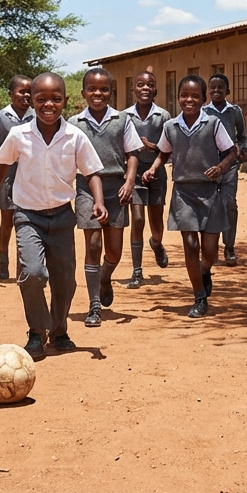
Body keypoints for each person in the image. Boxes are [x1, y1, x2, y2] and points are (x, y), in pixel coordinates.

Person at [0, 72, 106, 358]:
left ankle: (59, 331)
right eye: (41, 100)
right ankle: (37, 332)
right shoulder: (18, 135)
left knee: (65, 280)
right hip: (28, 217)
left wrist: (99, 201)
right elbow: (0, 165)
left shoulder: (75, 136)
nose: (49, 105)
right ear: (32, 101)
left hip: (62, 217)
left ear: (66, 101)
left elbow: (92, 171)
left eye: (56, 99)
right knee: (32, 273)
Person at [140, 75, 237, 318]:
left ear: (203, 99)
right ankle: (199, 296)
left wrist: (221, 168)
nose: (189, 100)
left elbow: (231, 152)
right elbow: (164, 152)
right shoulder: (171, 126)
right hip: (184, 192)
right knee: (191, 245)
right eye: (184, 95)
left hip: (209, 191)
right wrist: (153, 169)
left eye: (195, 96)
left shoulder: (213, 123)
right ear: (178, 98)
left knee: (210, 250)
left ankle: (205, 272)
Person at [69, 68, 143, 326]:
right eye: (92, 89)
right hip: (85, 188)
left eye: (103, 90)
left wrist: (130, 181)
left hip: (116, 189)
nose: (97, 94)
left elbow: (133, 153)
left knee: (113, 252)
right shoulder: (74, 124)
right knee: (92, 245)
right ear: (83, 93)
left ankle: (105, 276)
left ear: (111, 93)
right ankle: (94, 305)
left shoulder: (122, 120)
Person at [124, 71, 171, 286]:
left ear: (155, 89)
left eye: (149, 85)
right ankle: (137, 270)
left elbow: (168, 148)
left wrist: (154, 149)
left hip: (156, 173)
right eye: (140, 84)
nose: (145, 88)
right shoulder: (125, 117)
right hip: (134, 175)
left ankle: (157, 243)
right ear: (133, 88)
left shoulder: (163, 116)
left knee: (156, 222)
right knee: (138, 219)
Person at [0, 75, 36, 278]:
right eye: (21, 91)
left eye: (29, 92)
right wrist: (1, 158)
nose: (26, 95)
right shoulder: (0, 117)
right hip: (7, 176)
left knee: (26, 219)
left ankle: (23, 263)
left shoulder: (37, 116)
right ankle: (3, 257)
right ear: (10, 94)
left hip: (30, 176)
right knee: (7, 219)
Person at [203, 73, 247, 266]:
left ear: (227, 91)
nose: (216, 91)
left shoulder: (234, 111)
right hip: (210, 167)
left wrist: (244, 150)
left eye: (220, 88)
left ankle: (229, 247)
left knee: (230, 204)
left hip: (230, 166)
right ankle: (209, 250)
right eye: (212, 88)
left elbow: (242, 135)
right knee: (211, 206)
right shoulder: (203, 112)